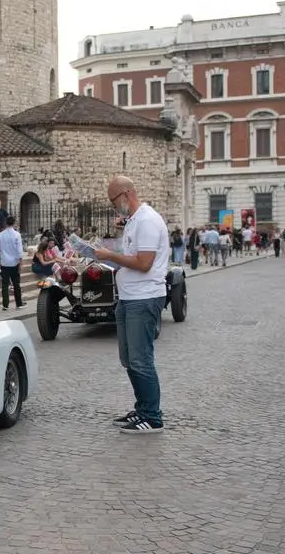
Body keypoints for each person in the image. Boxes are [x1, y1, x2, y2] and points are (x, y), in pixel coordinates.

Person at [94, 175, 168, 435]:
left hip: (144, 297)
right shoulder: (134, 221)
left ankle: (153, 417)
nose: (114, 206)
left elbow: (144, 263)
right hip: (128, 298)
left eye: (114, 201)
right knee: (129, 359)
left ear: (126, 194)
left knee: (141, 359)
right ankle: (143, 409)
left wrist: (110, 255)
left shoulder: (147, 220)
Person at [0, 216, 26, 311]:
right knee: (16, 283)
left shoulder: (0, 235)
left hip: (4, 262)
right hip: (14, 262)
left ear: (6, 223)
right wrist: (20, 262)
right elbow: (19, 250)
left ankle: (5, 304)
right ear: (13, 223)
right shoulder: (17, 235)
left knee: (5, 284)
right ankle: (19, 303)